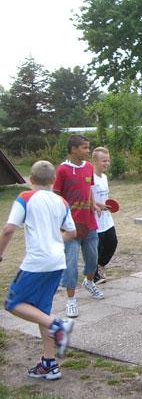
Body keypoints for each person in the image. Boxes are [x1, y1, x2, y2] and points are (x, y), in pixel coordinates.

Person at [2, 161, 77, 379]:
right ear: (53, 180)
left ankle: (59, 324)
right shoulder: (61, 201)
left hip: (36, 263)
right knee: (42, 312)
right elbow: (72, 232)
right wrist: (55, 243)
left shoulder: (25, 197)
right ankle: (49, 363)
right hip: (57, 262)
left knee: (13, 303)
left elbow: (8, 229)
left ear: (31, 179)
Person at [53, 135, 103, 318]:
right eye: (84, 147)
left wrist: (94, 205)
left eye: (88, 147)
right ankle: (71, 301)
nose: (88, 151)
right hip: (70, 228)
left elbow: (88, 189)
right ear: (73, 149)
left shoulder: (88, 167)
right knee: (71, 264)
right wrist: (60, 221)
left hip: (89, 224)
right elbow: (56, 196)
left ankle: (89, 282)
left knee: (93, 259)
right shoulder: (62, 170)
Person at [91, 147, 118, 284]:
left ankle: (100, 266)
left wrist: (108, 205)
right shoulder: (90, 178)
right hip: (95, 219)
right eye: (103, 161)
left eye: (107, 160)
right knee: (98, 248)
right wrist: (97, 205)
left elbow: (104, 197)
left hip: (107, 218)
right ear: (95, 160)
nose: (106, 163)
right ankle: (94, 275)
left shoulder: (105, 177)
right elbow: (86, 197)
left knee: (112, 243)